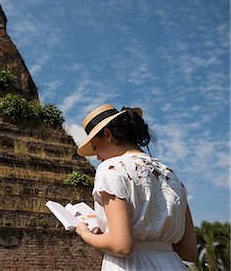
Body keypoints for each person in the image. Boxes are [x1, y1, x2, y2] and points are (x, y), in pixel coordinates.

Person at [75, 104, 197, 270]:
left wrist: (85, 234)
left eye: (96, 147)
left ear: (108, 134)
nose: (97, 156)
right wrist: (157, 247)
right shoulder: (171, 176)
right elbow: (189, 251)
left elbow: (121, 246)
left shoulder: (112, 168)